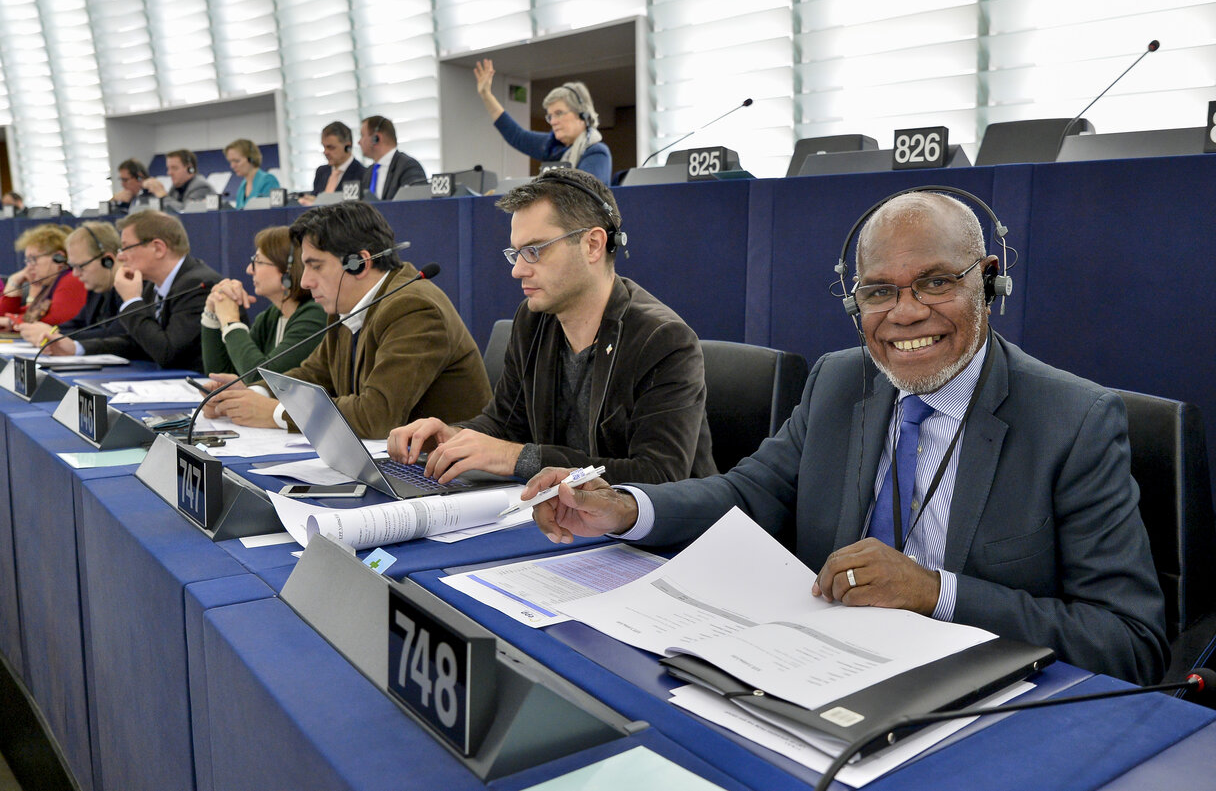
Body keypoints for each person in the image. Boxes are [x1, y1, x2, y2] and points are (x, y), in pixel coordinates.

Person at [524, 191, 1168, 686]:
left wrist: (936, 592)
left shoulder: (1074, 421)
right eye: (878, 291)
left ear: (990, 281)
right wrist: (627, 506)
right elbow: (750, 494)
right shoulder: (840, 381)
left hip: (972, 695)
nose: (906, 312)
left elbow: (1131, 641)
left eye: (937, 283)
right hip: (818, 672)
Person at [387, 167, 715, 485]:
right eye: (515, 253)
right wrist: (453, 436)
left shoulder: (663, 340)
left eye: (534, 251)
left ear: (593, 245)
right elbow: (504, 424)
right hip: (565, 520)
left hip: (659, 538)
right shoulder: (533, 320)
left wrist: (517, 458)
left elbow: (659, 476)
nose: (517, 270)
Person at [201, 201, 491, 439]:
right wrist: (252, 394)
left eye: (315, 266)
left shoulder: (413, 307)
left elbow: (376, 415)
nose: (305, 281)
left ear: (359, 263)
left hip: (444, 477)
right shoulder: (345, 305)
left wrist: (274, 413)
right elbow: (312, 375)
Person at [49, 210, 225, 371]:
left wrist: (132, 301)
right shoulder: (151, 285)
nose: (120, 256)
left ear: (158, 248)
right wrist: (77, 348)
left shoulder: (198, 285)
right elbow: (136, 342)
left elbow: (168, 353)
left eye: (126, 247)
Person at [201, 225, 326, 377]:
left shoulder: (315, 316)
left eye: (258, 262)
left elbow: (260, 378)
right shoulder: (270, 317)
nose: (249, 269)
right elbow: (224, 375)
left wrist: (231, 322)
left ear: (287, 271)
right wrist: (212, 312)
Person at [473, 60, 611, 185]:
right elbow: (517, 136)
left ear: (582, 115)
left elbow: (587, 196)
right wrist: (486, 95)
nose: (553, 122)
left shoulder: (596, 153)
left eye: (559, 113)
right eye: (550, 116)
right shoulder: (552, 147)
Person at [20, 222, 124, 348]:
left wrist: (53, 334)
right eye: (72, 266)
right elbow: (77, 324)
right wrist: (51, 333)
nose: (75, 274)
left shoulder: (133, 288)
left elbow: (117, 335)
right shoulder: (97, 288)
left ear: (108, 261)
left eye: (80, 266)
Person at [0, 224, 86, 331]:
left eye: (33, 259)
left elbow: (56, 320)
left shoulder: (72, 280)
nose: (29, 267)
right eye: (28, 260)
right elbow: (6, 316)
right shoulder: (51, 285)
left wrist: (11, 322)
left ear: (58, 258)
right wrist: (14, 282)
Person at [358, 116, 427, 201]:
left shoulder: (409, 167)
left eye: (362, 135)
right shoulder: (368, 172)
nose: (359, 142)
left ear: (376, 138)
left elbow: (416, 205)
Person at [299, 121, 366, 205]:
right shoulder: (321, 172)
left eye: (331, 147)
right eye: (324, 147)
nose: (325, 152)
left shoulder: (363, 174)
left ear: (348, 147)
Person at [141, 149, 215, 212]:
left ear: (190, 169)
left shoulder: (201, 187)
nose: (169, 173)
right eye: (168, 168)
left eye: (174, 168)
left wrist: (163, 196)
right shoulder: (175, 188)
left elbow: (187, 211)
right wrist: (147, 192)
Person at [225, 139, 280, 209]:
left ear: (251, 159)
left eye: (236, 161)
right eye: (230, 162)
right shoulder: (242, 187)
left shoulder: (268, 181)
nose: (232, 166)